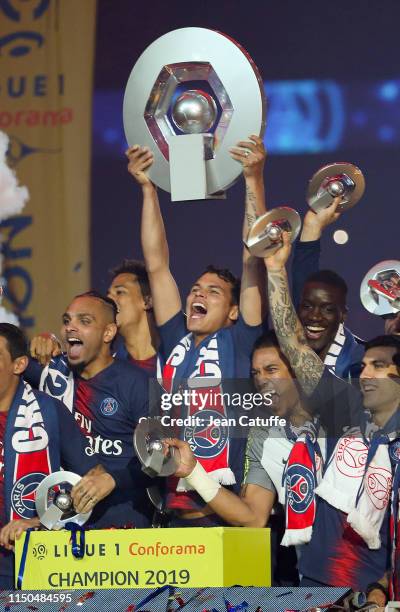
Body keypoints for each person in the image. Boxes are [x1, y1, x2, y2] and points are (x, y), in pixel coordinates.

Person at [126, 136, 266, 526]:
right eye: (195, 289)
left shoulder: (241, 341)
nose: (197, 294)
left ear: (235, 310)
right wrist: (148, 188)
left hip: (218, 511)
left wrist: (253, 179)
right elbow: (156, 264)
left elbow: (252, 259)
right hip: (169, 511)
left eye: (214, 292)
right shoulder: (176, 339)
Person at [264, 232, 400, 590]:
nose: (365, 372)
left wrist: (383, 586)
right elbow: (293, 345)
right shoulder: (347, 407)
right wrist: (276, 270)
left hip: (374, 582)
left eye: (379, 365)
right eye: (365, 364)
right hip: (318, 575)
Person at [0, 323, 116, 589]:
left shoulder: (48, 412)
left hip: (25, 563)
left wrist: (42, 520)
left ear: (18, 365)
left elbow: (94, 478)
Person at [25, 291, 152, 529]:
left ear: (108, 332)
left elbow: (160, 458)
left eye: (84, 321)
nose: (70, 328)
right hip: (59, 521)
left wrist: (113, 479)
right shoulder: (52, 374)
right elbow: (9, 359)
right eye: (66, 321)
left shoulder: (137, 384)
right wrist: (40, 340)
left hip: (121, 525)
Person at [292, 199, 364, 379]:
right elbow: (302, 280)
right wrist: (311, 227)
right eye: (307, 307)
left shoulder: (360, 362)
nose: (315, 316)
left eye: (328, 309)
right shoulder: (289, 340)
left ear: (343, 315)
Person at [107, 259, 159, 374]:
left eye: (120, 292)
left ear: (147, 301)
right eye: (108, 295)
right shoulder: (109, 372)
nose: (109, 300)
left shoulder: (179, 360)